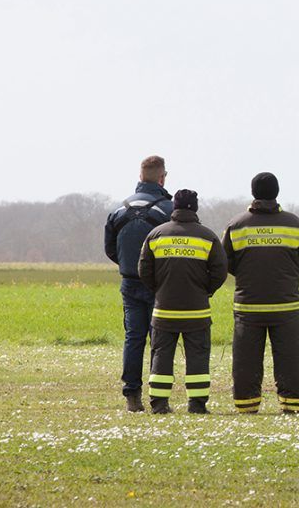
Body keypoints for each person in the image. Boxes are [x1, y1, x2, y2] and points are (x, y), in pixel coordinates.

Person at [222, 172, 299, 414]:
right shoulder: (294, 223)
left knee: (245, 358)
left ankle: (247, 405)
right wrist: (287, 277)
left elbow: (226, 261)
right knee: (290, 358)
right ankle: (292, 406)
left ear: (253, 193)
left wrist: (246, 276)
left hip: (247, 306)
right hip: (286, 306)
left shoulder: (236, 225)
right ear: (276, 192)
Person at [138, 189, 228, 414]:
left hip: (163, 310)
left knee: (161, 354)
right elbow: (220, 271)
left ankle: (159, 403)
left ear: (173, 208)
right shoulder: (207, 237)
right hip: (197, 311)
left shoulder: (156, 235)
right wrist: (205, 290)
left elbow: (144, 270)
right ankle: (196, 405)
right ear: (195, 208)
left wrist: (160, 290)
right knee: (198, 356)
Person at [104, 155, 174, 412]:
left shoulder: (119, 210)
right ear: (162, 177)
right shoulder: (168, 209)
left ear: (140, 177)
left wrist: (129, 266)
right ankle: (159, 398)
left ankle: (132, 395)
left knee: (133, 338)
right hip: (159, 284)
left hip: (129, 282)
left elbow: (110, 249)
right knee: (160, 339)